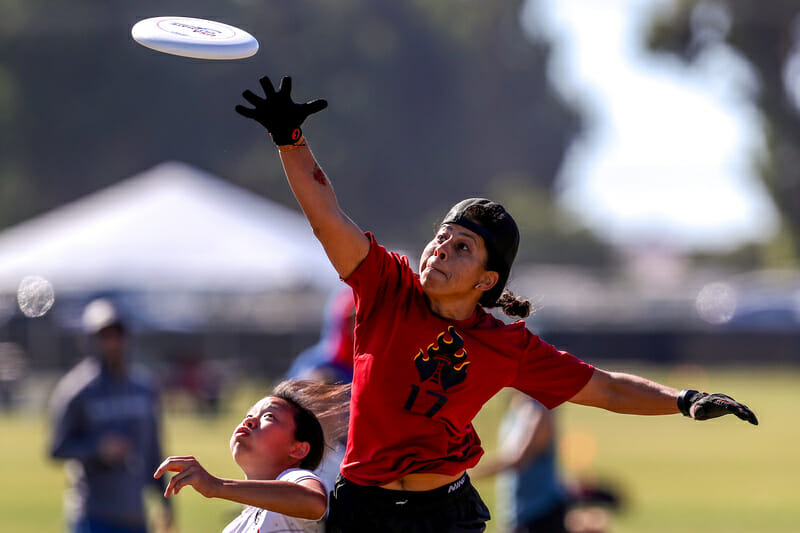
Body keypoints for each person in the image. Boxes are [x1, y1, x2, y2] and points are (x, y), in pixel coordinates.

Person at [234, 75, 759, 533]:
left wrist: (685, 399)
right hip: (364, 509)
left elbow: (604, 387)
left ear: (487, 280)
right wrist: (290, 139)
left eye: (462, 246)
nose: (441, 247)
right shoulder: (387, 285)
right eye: (442, 236)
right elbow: (327, 216)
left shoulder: (507, 346)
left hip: (443, 516)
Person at [154, 380, 349, 533]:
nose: (250, 421)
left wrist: (217, 486)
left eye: (269, 416)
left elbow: (314, 502)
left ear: (298, 450)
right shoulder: (235, 527)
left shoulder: (293, 477)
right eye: (248, 415)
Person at [48, 298, 172, 533]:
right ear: (90, 340)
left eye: (118, 335)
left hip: (135, 514)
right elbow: (56, 448)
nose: (113, 343)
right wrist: (98, 449)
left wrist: (165, 502)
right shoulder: (77, 390)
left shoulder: (143, 387)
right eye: (105, 336)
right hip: (94, 515)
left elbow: (154, 449)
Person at [475, 393, 572, 533]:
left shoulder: (540, 408)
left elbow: (518, 458)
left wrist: (467, 473)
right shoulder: (518, 404)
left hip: (541, 513)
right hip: (516, 512)